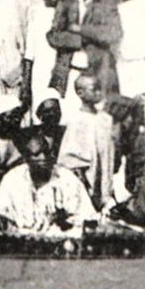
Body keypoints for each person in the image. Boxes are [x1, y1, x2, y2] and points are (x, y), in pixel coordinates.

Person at [0, 131, 99, 235]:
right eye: (36, 154)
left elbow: (89, 218)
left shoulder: (67, 179)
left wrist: (66, 222)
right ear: (26, 159)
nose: (43, 158)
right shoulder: (12, 178)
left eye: (46, 152)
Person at [58, 72, 119, 212]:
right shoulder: (77, 121)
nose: (98, 92)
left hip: (105, 179)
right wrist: (86, 190)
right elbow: (71, 160)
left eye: (99, 88)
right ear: (81, 93)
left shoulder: (105, 119)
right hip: (86, 184)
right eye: (94, 89)